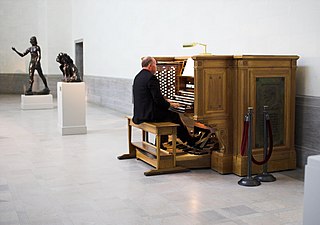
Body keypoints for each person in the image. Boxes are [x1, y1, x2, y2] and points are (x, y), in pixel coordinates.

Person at [132, 56, 195, 146]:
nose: (156, 68)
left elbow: (151, 97)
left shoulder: (138, 76)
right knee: (174, 116)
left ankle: (163, 144)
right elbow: (158, 101)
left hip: (140, 113)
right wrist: (170, 104)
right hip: (149, 115)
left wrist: (167, 101)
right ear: (150, 66)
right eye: (155, 65)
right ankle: (189, 141)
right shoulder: (151, 78)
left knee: (168, 113)